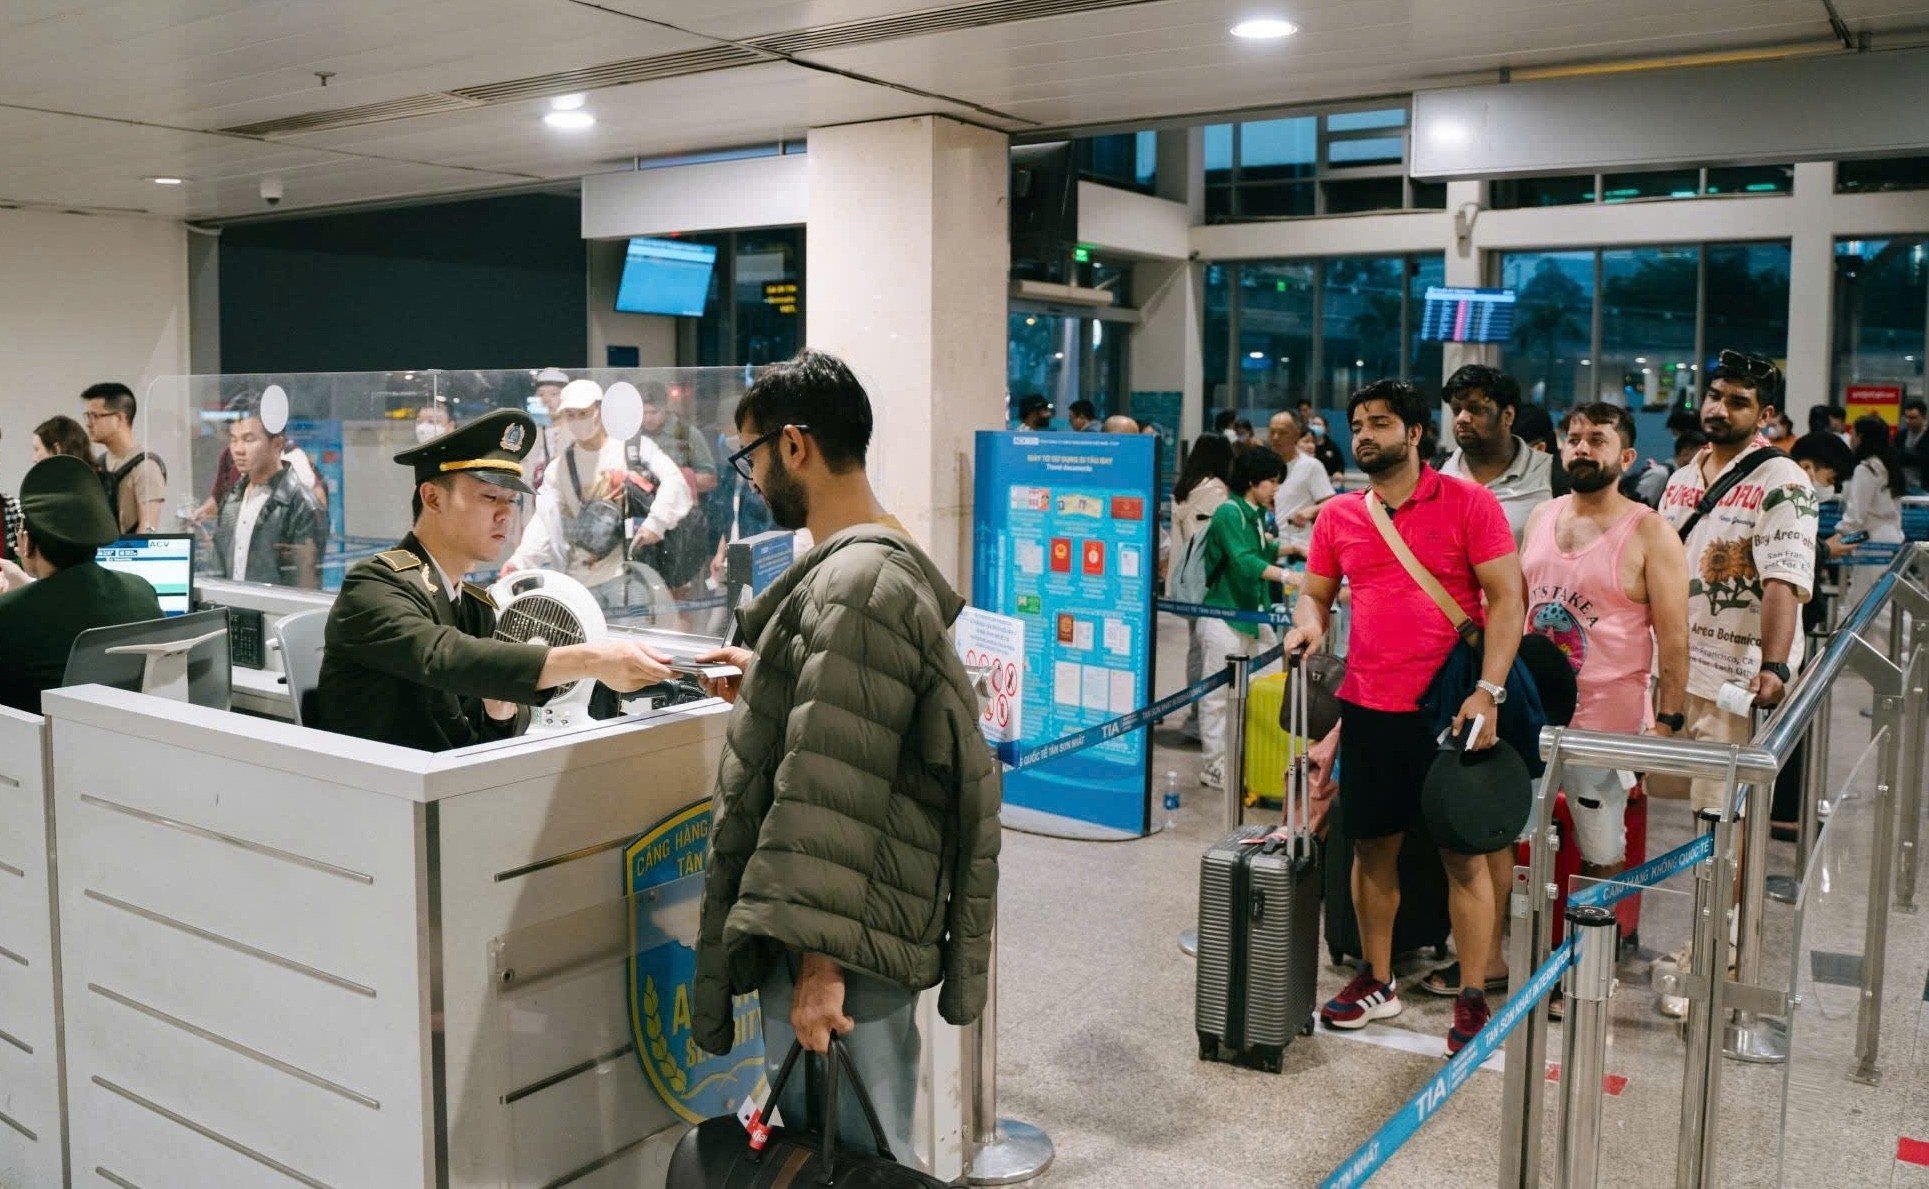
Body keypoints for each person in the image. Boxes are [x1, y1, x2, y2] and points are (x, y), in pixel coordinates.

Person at [686, 350, 999, 1169]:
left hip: (837, 946)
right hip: (858, 923)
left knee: (851, 1161)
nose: (749, 476)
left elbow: (834, 793)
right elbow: (860, 738)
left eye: (748, 454)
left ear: (794, 446)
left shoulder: (855, 582)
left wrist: (820, 968)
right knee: (852, 1156)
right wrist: (771, 686)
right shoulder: (873, 559)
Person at [1289, 379, 1524, 1055]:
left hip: (1449, 709)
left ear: (1416, 432)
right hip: (1367, 706)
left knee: (1462, 855)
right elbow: (1316, 596)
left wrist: (1489, 691)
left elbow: (1507, 601)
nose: (1363, 434)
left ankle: (1473, 993)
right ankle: (1378, 976)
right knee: (1371, 847)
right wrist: (1307, 624)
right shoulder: (1339, 516)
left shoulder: (1468, 505)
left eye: (1379, 423)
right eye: (1357, 423)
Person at [1468, 404, 1689, 1007]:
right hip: (1531, 713)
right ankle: (1515, 962)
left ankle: (1584, 967)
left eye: (1597, 439)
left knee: (1601, 851)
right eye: (1574, 439)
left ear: (1625, 457)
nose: (1582, 448)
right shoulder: (1542, 514)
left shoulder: (1650, 532)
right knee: (1516, 842)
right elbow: (1511, 606)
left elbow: (1674, 638)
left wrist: (1665, 725)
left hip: (1605, 723)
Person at [314, 409, 676, 752]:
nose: (506, 514)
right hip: (380, 793)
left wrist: (498, 710)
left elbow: (491, 719)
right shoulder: (374, 586)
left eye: (512, 501)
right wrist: (591, 660)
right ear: (432, 497)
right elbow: (445, 657)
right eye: (490, 497)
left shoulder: (473, 604)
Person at [1651, 351, 1816, 1017]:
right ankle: (1708, 937)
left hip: (1738, 680)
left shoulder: (1783, 480)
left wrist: (1772, 671)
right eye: (1713, 395)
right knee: (1700, 814)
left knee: (1728, 821)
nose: (1718, 407)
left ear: (1764, 413)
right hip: (1685, 669)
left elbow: (1784, 579)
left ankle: (1715, 956)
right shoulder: (1684, 475)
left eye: (1736, 400)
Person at [501, 380, 693, 616]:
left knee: (631, 644)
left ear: (599, 411)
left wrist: (656, 522)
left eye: (583, 413)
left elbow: (675, 481)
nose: (577, 420)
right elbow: (544, 519)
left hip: (628, 574)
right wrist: (520, 561)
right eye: (570, 415)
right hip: (579, 580)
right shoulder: (559, 467)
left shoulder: (633, 448)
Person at [0, 455, 164, 713]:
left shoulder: (9, 615)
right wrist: (27, 588)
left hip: (38, 749)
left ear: (26, 542)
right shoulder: (142, 591)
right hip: (125, 743)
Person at [1196, 447, 1295, 790]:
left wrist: (1294, 551)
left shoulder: (1252, 514)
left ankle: (1252, 761)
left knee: (1266, 692)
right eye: (1271, 481)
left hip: (1254, 616)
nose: (1275, 489)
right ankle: (1214, 766)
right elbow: (1243, 561)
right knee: (1217, 698)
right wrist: (1287, 577)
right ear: (1252, 480)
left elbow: (1261, 551)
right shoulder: (1228, 512)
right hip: (1224, 616)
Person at [209, 397, 325, 588]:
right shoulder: (233, 498)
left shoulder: (303, 505)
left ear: (277, 444)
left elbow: (306, 587)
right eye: (233, 439)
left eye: (248, 439)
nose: (238, 449)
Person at [1437, 364, 1555, 544]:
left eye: (1475, 409)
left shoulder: (1549, 472)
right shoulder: (1437, 474)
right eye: (1456, 410)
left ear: (1508, 415)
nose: (1462, 418)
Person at [1168, 434, 1235, 743]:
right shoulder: (1216, 490)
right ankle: (1200, 719)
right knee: (1207, 650)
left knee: (1195, 648)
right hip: (1207, 580)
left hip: (1184, 578)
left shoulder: (1184, 489)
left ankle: (1195, 715)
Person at [1825, 415, 1907, 603]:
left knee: (1868, 601)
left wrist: (1837, 538)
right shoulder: (1888, 465)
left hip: (1871, 540)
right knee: (1880, 599)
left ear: (1861, 437)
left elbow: (1855, 516)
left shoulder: (1866, 469)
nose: (1850, 438)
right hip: (1891, 536)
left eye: (1853, 433)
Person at [81, 381, 166, 534]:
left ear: (120, 418)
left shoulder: (146, 467)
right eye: (87, 416)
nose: (89, 424)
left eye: (94, 416)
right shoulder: (99, 464)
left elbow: (147, 531)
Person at [1266, 409, 1335, 552]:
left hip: (1299, 551)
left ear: (1296, 434)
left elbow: (1331, 503)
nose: (1276, 437)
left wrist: (1311, 510)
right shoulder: (1262, 465)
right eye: (1272, 432)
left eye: (1282, 432)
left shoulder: (1310, 466)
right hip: (1269, 550)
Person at [524, 367, 572, 489]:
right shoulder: (528, 433)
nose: (546, 399)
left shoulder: (577, 433)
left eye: (554, 394)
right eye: (541, 394)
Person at [1899, 398, 1928, 491]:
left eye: (1912, 418)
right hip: (1903, 487)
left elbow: (1924, 459)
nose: (1908, 421)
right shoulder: (1901, 435)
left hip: (1924, 487)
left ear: (1923, 417)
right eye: (1906, 417)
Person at [1306, 411, 1346, 476]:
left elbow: (1341, 464)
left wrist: (1339, 472)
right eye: (1313, 424)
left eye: (1318, 425)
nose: (1315, 427)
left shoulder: (1332, 446)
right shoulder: (1306, 445)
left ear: (1325, 428)